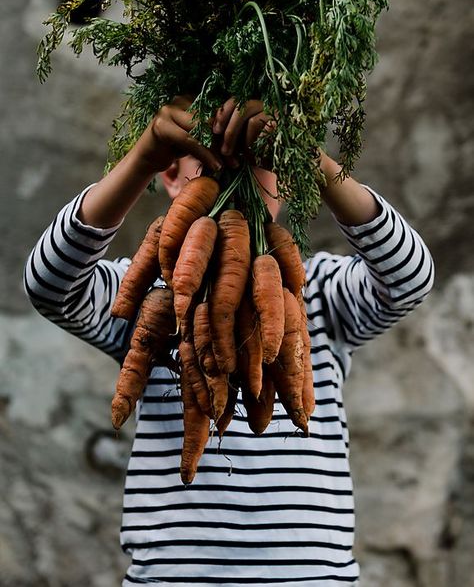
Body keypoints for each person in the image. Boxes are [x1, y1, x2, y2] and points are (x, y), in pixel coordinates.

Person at [24, 95, 434, 587]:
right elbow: (50, 286)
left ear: (284, 179)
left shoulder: (315, 290)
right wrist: (138, 160)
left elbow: (410, 279)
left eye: (260, 162)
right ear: (171, 175)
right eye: (215, 159)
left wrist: (305, 155)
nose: (237, 175)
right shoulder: (150, 293)